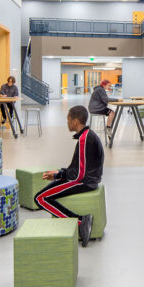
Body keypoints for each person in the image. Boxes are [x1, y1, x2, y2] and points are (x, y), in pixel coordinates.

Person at [35, 105, 101, 247]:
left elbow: (80, 175)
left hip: (84, 182)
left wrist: (60, 174)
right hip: (85, 179)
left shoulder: (85, 139)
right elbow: (78, 168)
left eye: (68, 119)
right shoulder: (86, 136)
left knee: (40, 198)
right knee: (43, 195)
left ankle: (80, 222)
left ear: (75, 121)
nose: (67, 122)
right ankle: (80, 221)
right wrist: (59, 174)